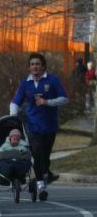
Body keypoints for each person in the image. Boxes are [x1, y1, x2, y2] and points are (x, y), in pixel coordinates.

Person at [10, 52, 67, 201]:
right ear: (29, 67)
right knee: (37, 154)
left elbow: (64, 98)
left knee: (45, 157)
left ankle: (46, 174)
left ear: (43, 66)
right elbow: (15, 101)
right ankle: (42, 186)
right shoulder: (25, 83)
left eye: (38, 64)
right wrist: (12, 115)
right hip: (33, 125)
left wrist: (47, 102)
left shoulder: (52, 80)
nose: (35, 66)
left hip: (49, 125)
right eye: (32, 64)